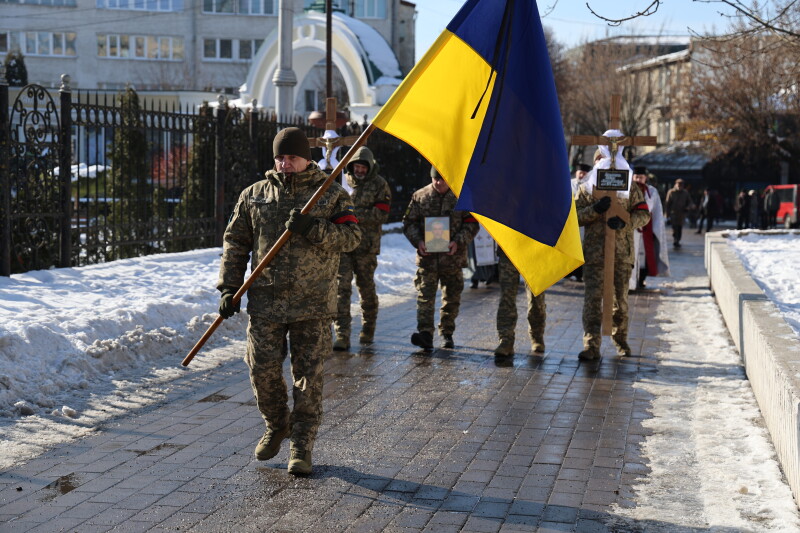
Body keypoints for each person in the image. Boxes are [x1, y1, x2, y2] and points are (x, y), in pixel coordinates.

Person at [217, 127, 361, 476]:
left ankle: (301, 444)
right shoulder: (254, 195)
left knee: (307, 378)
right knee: (262, 371)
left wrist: (314, 228)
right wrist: (228, 288)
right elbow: (236, 243)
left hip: (312, 304)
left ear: (305, 158)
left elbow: (353, 237)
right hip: (265, 301)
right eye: (279, 157)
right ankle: (277, 423)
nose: (285, 164)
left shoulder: (331, 195)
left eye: (291, 157)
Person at [575, 144, 650, 360]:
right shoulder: (587, 188)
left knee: (620, 303)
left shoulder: (629, 187)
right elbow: (575, 216)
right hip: (595, 254)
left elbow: (644, 214)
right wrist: (594, 210)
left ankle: (621, 341)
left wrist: (625, 223)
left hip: (621, 254)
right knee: (592, 301)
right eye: (601, 162)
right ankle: (591, 345)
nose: (606, 166)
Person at [402, 166, 479, 350]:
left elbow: (472, 223)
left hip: (452, 258)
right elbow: (408, 222)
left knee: (451, 297)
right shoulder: (420, 196)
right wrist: (418, 241)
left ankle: (447, 332)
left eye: (442, 180)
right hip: (427, 258)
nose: (438, 183)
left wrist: (458, 242)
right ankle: (425, 334)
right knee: (425, 297)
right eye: (435, 179)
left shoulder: (461, 197)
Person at [332, 146, 391, 351]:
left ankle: (368, 328)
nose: (359, 171)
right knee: (341, 290)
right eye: (356, 166)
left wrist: (352, 215)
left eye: (363, 167)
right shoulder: (341, 182)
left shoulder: (379, 185)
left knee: (366, 288)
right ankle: (342, 334)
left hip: (366, 247)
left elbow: (381, 213)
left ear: (370, 167)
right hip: (344, 245)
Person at [493, 249, 546, 358]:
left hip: (534, 249)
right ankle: (505, 340)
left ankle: (537, 336)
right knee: (507, 297)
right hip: (508, 248)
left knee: (536, 298)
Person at [629, 167, 670, 290]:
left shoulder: (652, 192)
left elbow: (657, 211)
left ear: (646, 178)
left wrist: (656, 229)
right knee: (630, 256)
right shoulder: (627, 189)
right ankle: (629, 284)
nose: (638, 179)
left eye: (641, 177)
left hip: (645, 228)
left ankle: (641, 280)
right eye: (636, 177)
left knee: (643, 257)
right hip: (629, 228)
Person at [567, 162, 593, 282]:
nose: (581, 175)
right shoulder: (568, 183)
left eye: (584, 173)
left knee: (581, 247)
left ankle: (579, 273)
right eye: (580, 172)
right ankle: (568, 271)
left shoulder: (588, 186)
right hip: (568, 221)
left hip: (582, 220)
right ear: (576, 172)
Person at [665, 178, 694, 249]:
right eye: (678, 185)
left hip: (682, 213)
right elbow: (667, 203)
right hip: (673, 213)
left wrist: (688, 207)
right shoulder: (671, 192)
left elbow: (690, 202)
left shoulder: (685, 193)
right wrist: (666, 214)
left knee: (679, 228)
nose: (679, 187)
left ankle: (678, 239)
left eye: (681, 185)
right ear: (675, 185)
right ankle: (675, 240)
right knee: (674, 227)